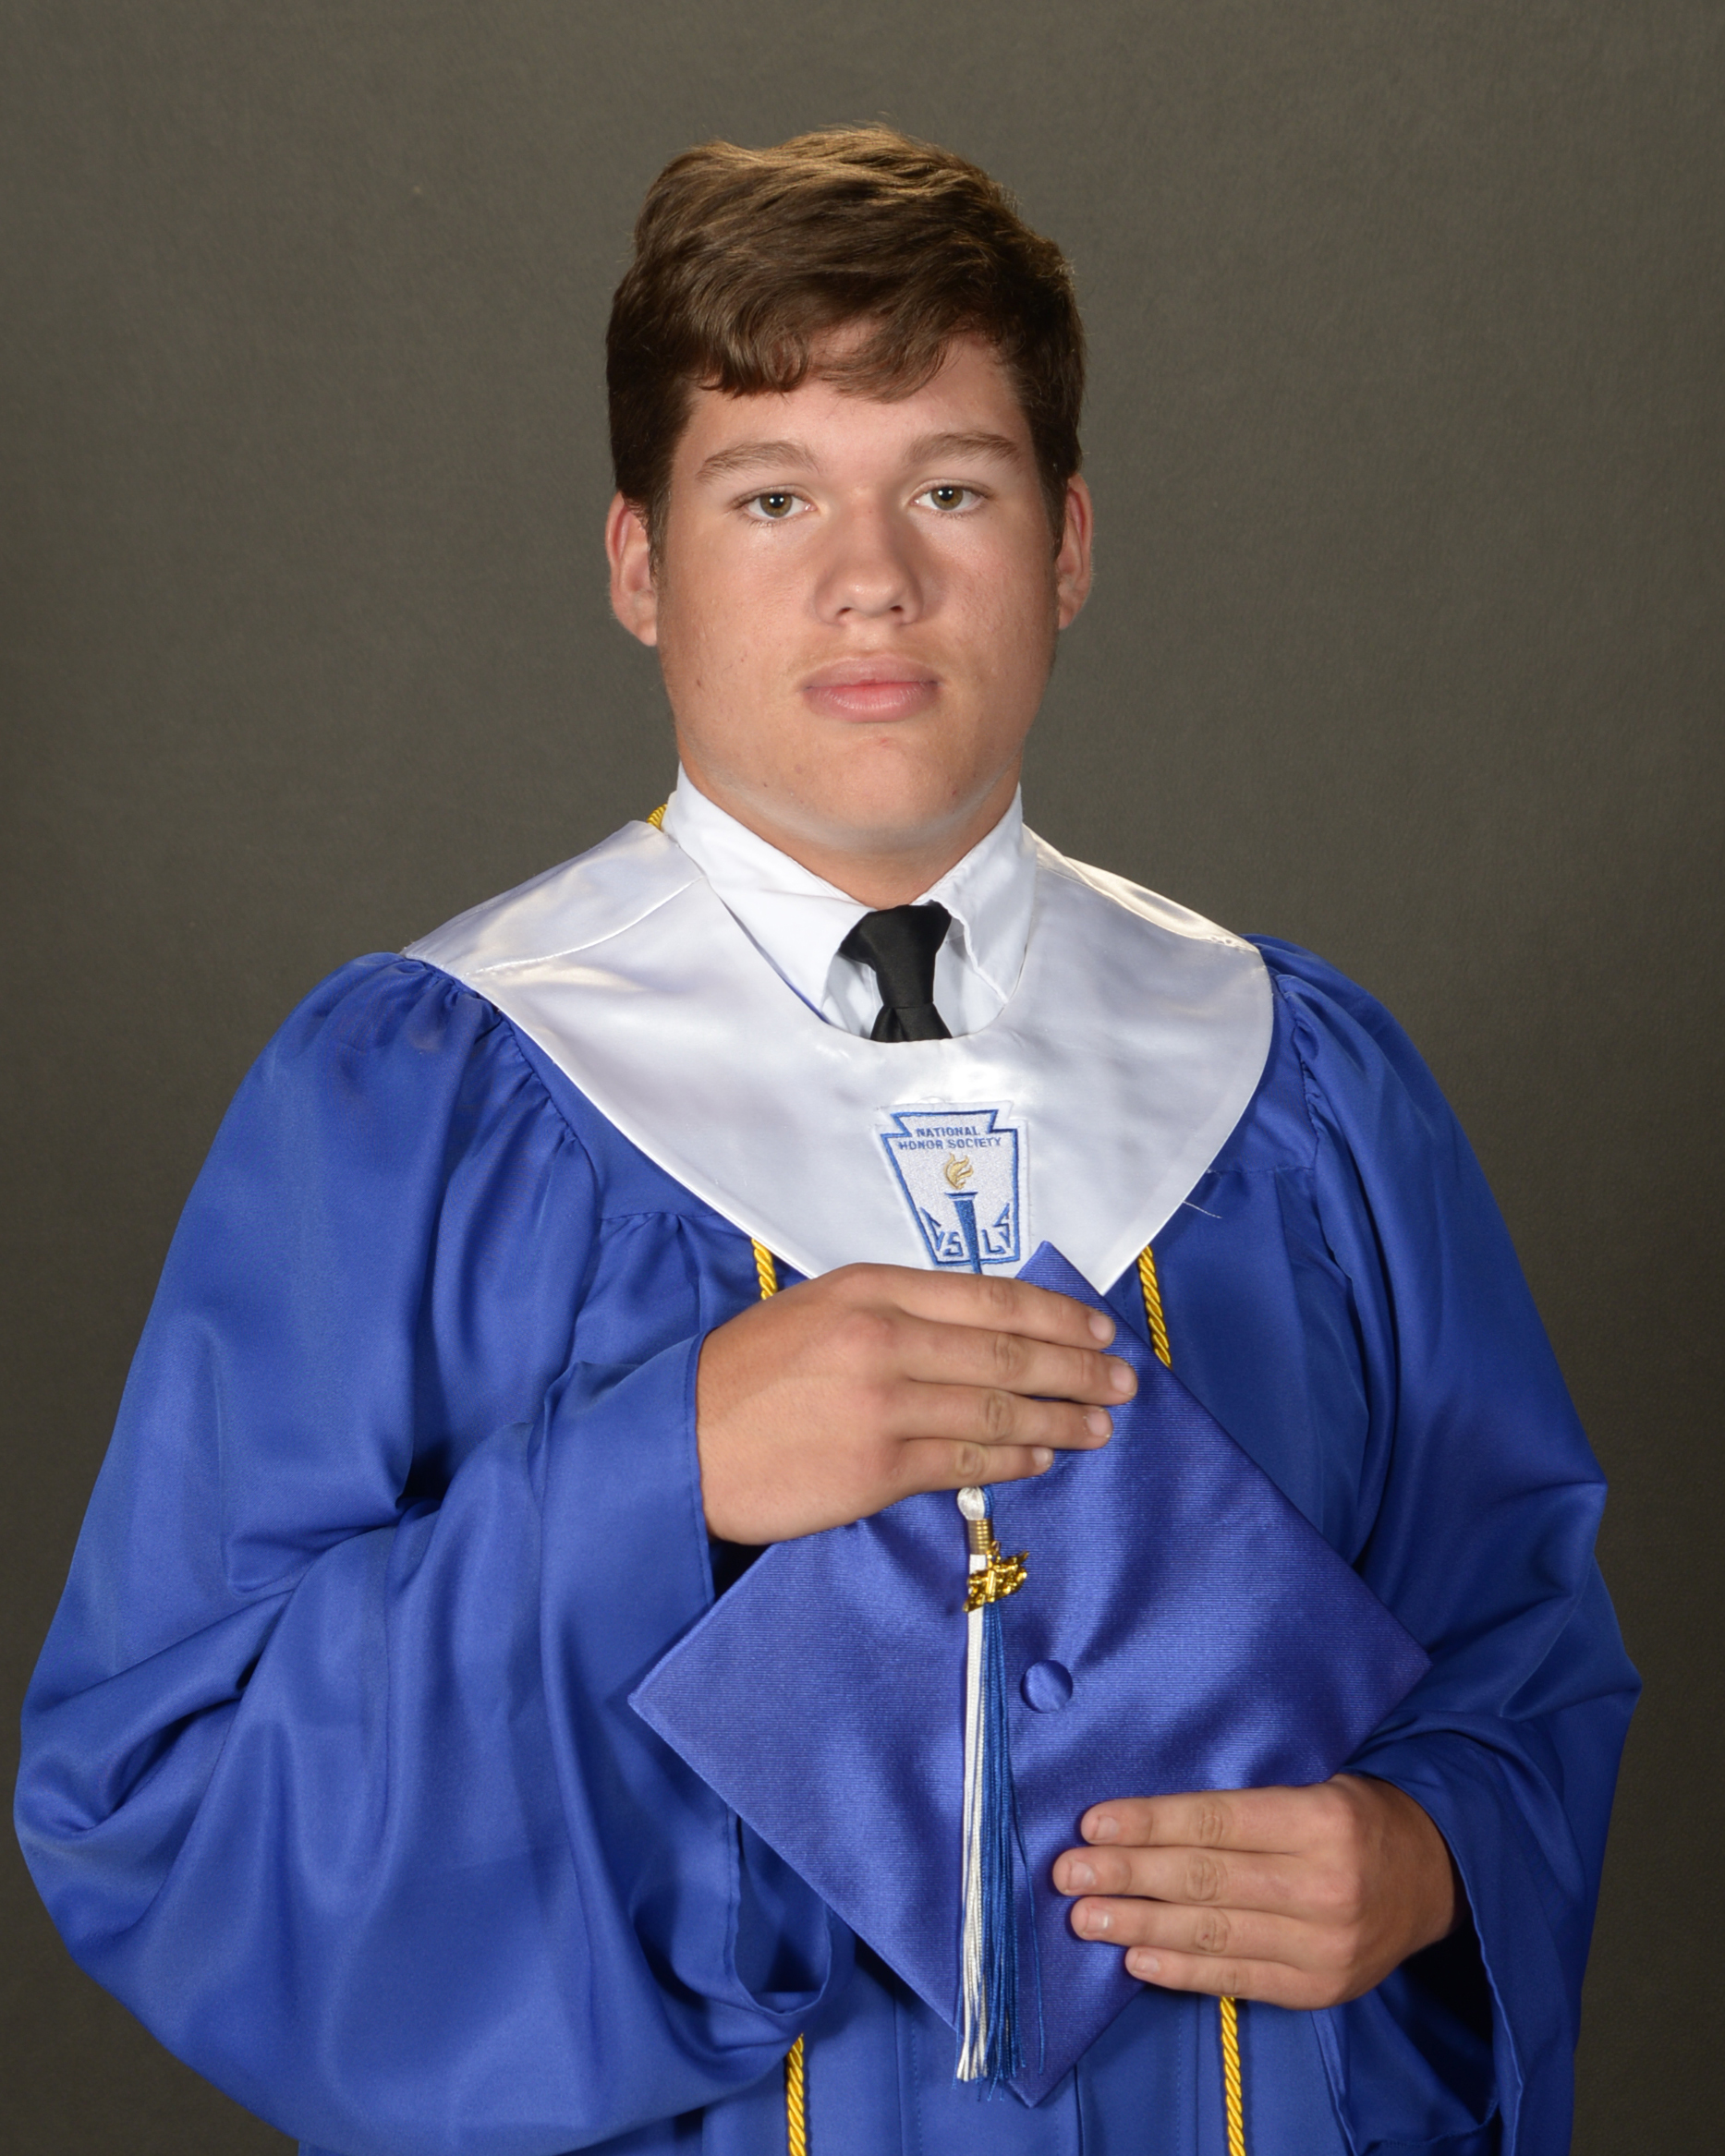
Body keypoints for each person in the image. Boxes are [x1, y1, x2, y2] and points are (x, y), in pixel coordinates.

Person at [15, 127, 1634, 2156]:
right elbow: (168, 1797)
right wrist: (665, 1469)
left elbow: (1524, 1655)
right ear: (639, 565)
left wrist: (1422, 1855)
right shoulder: (417, 1102)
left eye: (950, 488)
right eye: (771, 495)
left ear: (1066, 546)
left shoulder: (1299, 1085)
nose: (872, 578)